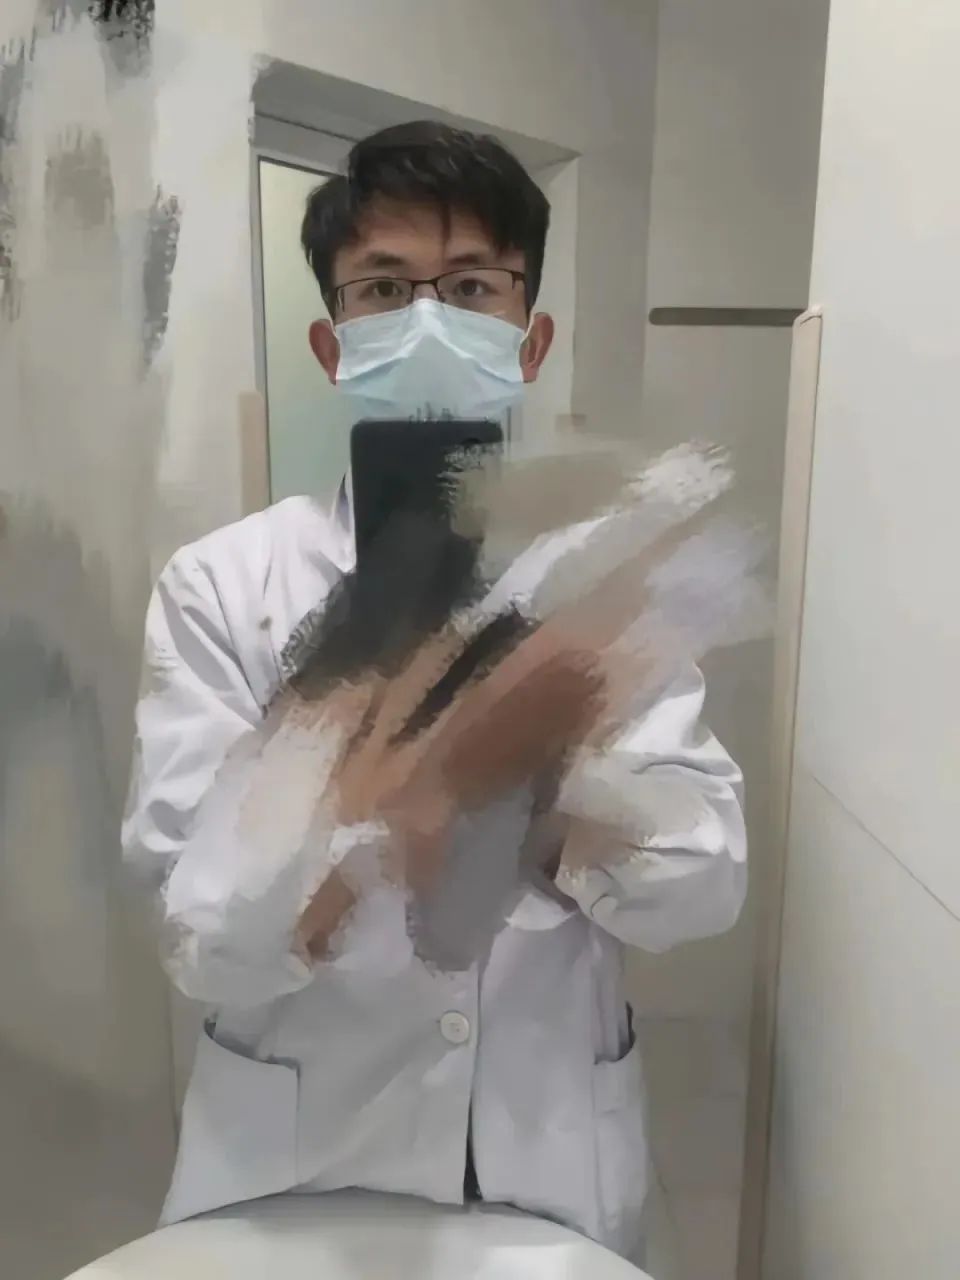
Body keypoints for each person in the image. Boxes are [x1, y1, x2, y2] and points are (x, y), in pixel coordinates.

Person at [122, 121, 747, 1262]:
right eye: (382, 287)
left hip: (544, 1163)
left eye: (469, 286)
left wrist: (545, 782)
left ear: (529, 336)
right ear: (331, 343)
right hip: (296, 1172)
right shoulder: (225, 584)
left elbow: (703, 885)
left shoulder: (598, 583)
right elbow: (200, 935)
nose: (425, 319)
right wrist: (368, 768)